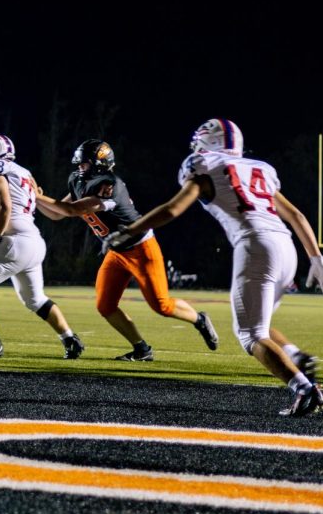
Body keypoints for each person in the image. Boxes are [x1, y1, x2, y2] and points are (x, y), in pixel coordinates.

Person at [107, 118, 323, 418]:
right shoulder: (259, 168)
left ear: (208, 141)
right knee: (256, 323)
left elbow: (172, 209)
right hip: (286, 247)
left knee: (250, 335)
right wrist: (316, 259)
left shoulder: (204, 166)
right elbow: (296, 215)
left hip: (255, 244)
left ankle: (304, 389)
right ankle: (294, 356)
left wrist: (131, 230)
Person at [35, 139, 219, 361]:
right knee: (105, 305)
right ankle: (142, 349)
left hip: (141, 247)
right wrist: (33, 199)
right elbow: (57, 213)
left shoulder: (110, 184)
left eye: (84, 163)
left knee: (161, 305)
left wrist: (35, 195)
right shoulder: (77, 180)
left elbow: (73, 210)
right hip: (116, 251)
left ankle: (199, 319)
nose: (79, 168)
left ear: (99, 163)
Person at [0, 133, 84, 360]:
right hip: (33, 241)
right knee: (35, 299)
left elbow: (3, 204)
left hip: (12, 240)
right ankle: (70, 339)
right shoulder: (21, 172)